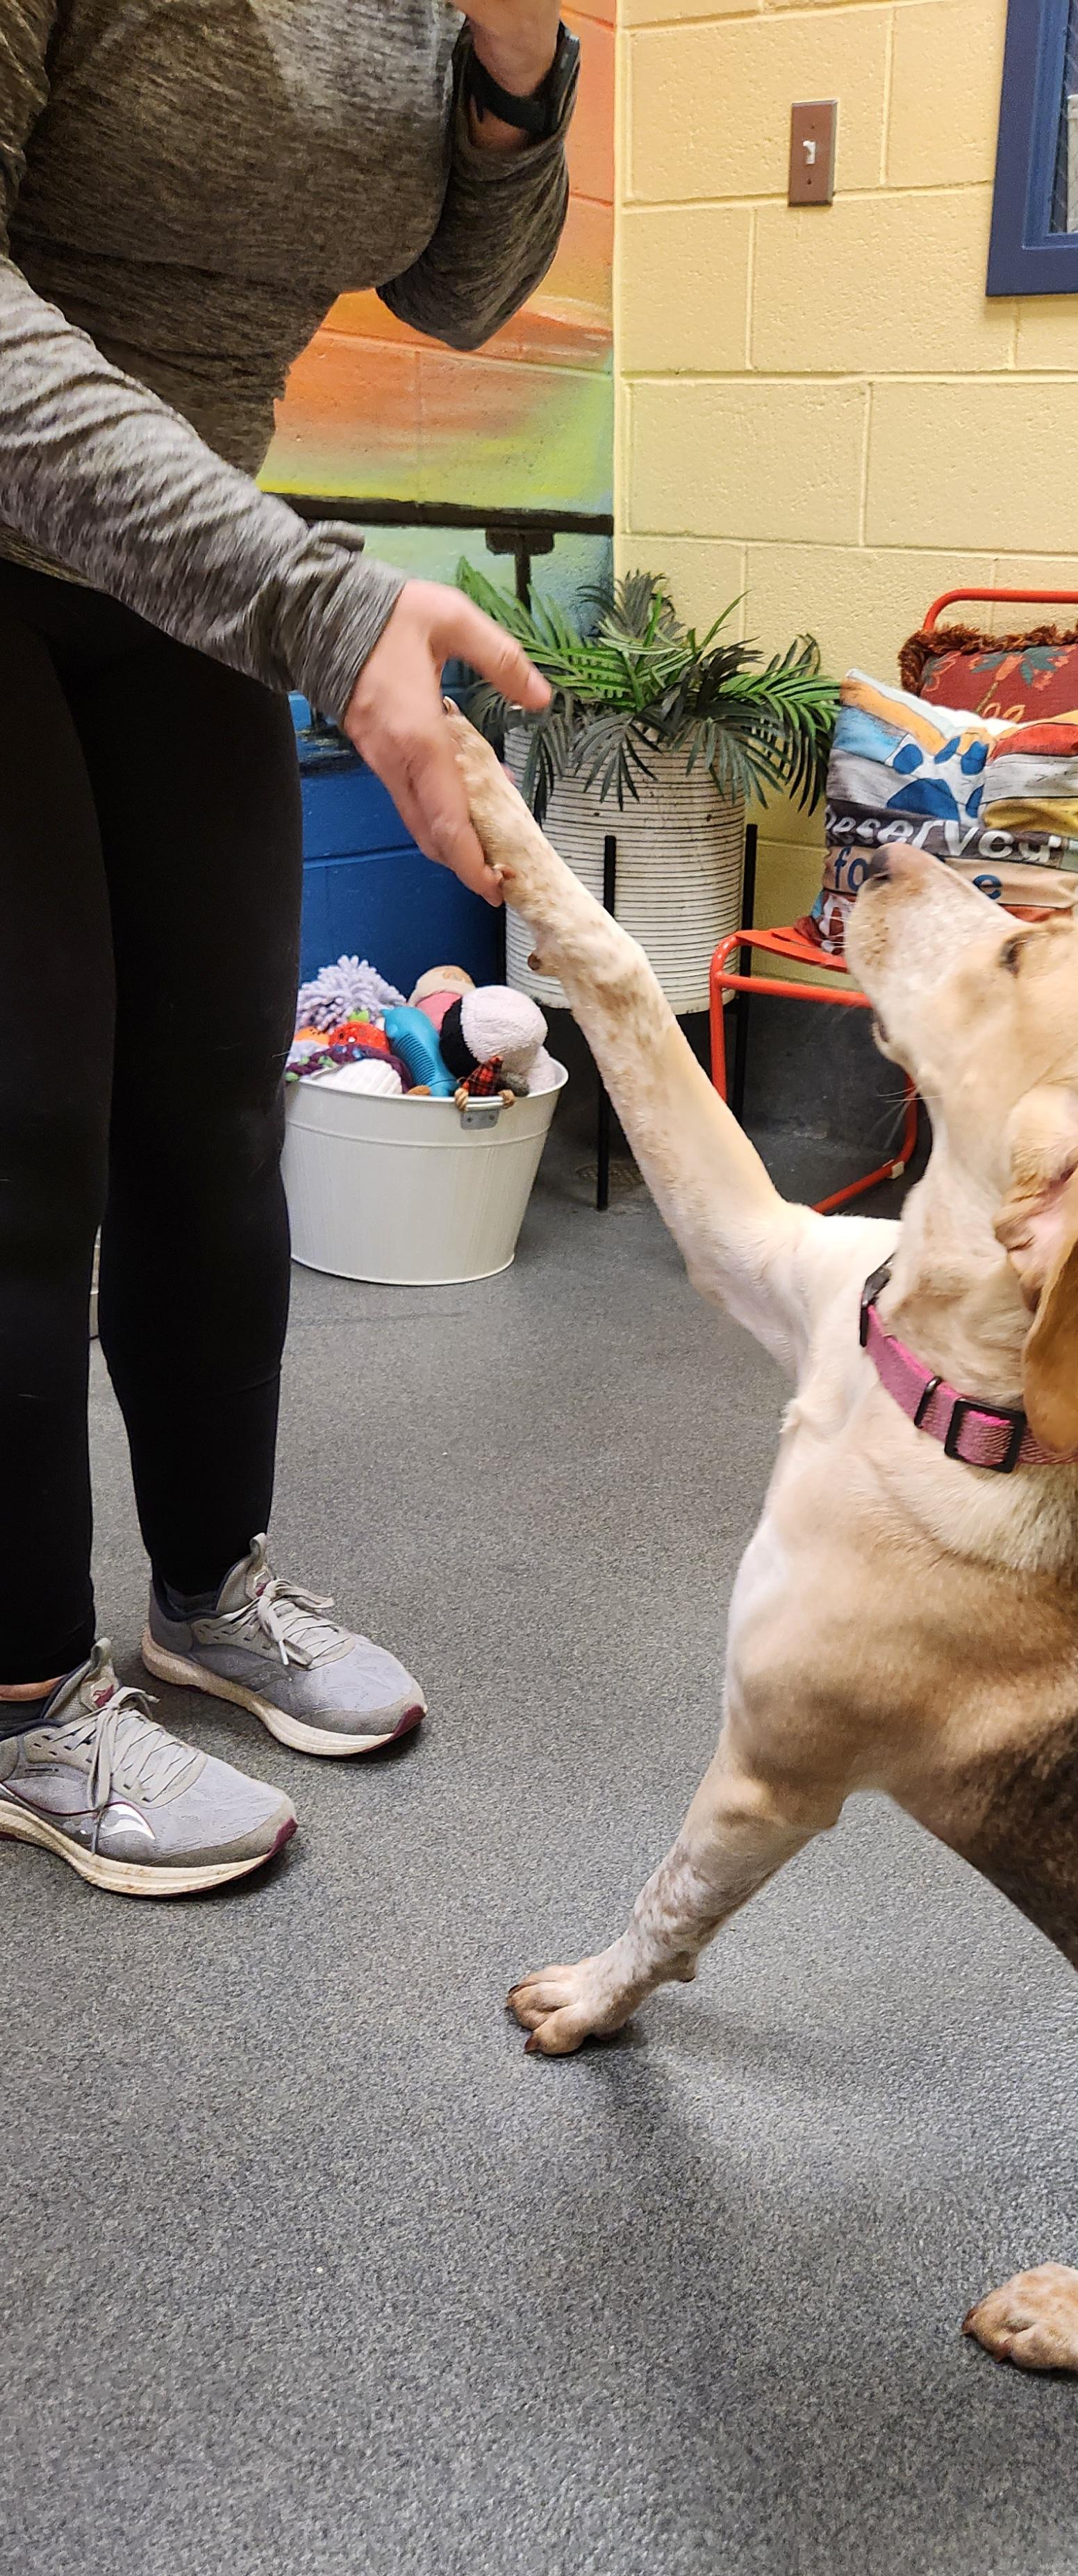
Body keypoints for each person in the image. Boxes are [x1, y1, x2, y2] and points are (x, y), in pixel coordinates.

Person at [0, 0, 575, 1896]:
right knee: (26, 1138)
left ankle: (205, 1592)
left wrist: (510, 75)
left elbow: (464, 296)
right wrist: (314, 598)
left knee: (211, 1108)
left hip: (180, 562)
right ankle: (20, 1700)